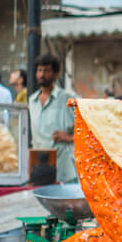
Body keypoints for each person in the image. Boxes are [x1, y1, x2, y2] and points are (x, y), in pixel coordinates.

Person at [28, 54, 78, 184]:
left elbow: (88, 130)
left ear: (56, 74)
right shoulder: (32, 101)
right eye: (39, 70)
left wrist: (69, 138)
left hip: (64, 168)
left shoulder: (67, 98)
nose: (42, 74)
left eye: (47, 70)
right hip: (39, 167)